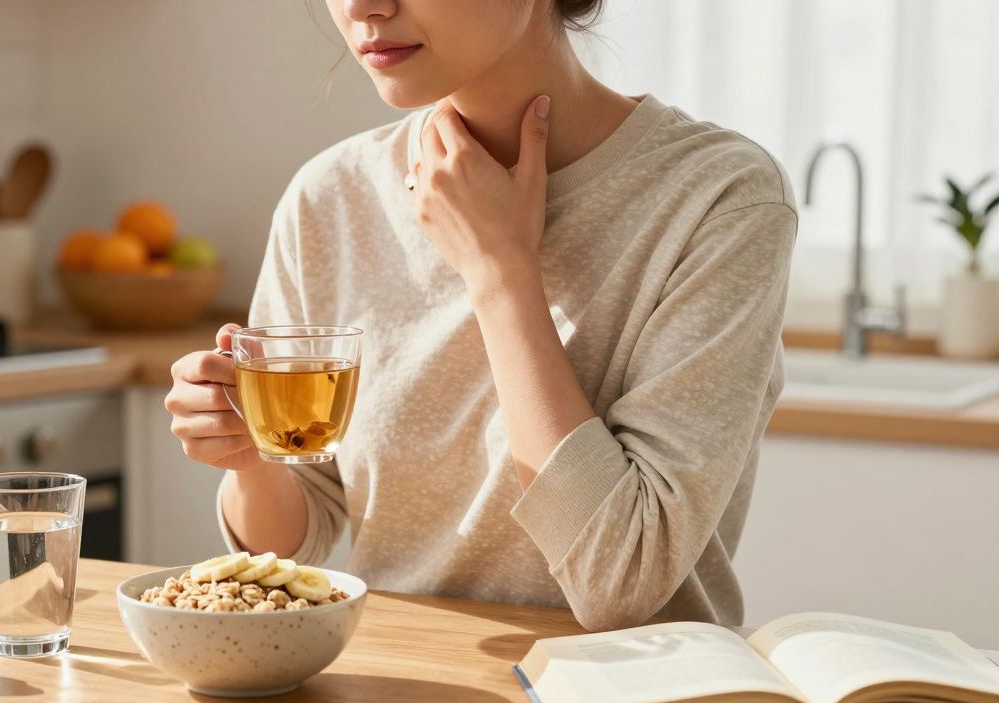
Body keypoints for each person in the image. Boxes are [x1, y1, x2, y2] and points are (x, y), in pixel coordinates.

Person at [165, 0, 797, 631]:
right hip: (402, 693)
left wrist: (499, 270)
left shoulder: (720, 198)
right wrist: (249, 458)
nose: (362, 6)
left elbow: (622, 582)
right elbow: (295, 540)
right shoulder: (331, 195)